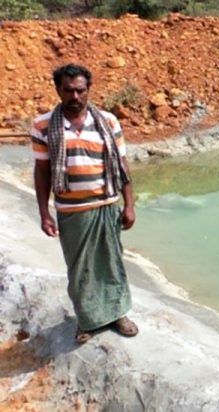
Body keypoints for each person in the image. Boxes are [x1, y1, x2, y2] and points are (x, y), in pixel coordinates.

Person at [31, 63, 138, 344]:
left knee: (111, 262)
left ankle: (118, 314)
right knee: (80, 269)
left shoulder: (108, 121)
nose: (75, 96)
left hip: (106, 206)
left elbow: (122, 164)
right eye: (68, 90)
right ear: (58, 90)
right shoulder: (43, 125)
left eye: (80, 90)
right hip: (71, 211)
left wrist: (129, 205)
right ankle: (88, 320)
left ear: (89, 90)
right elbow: (41, 172)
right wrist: (44, 213)